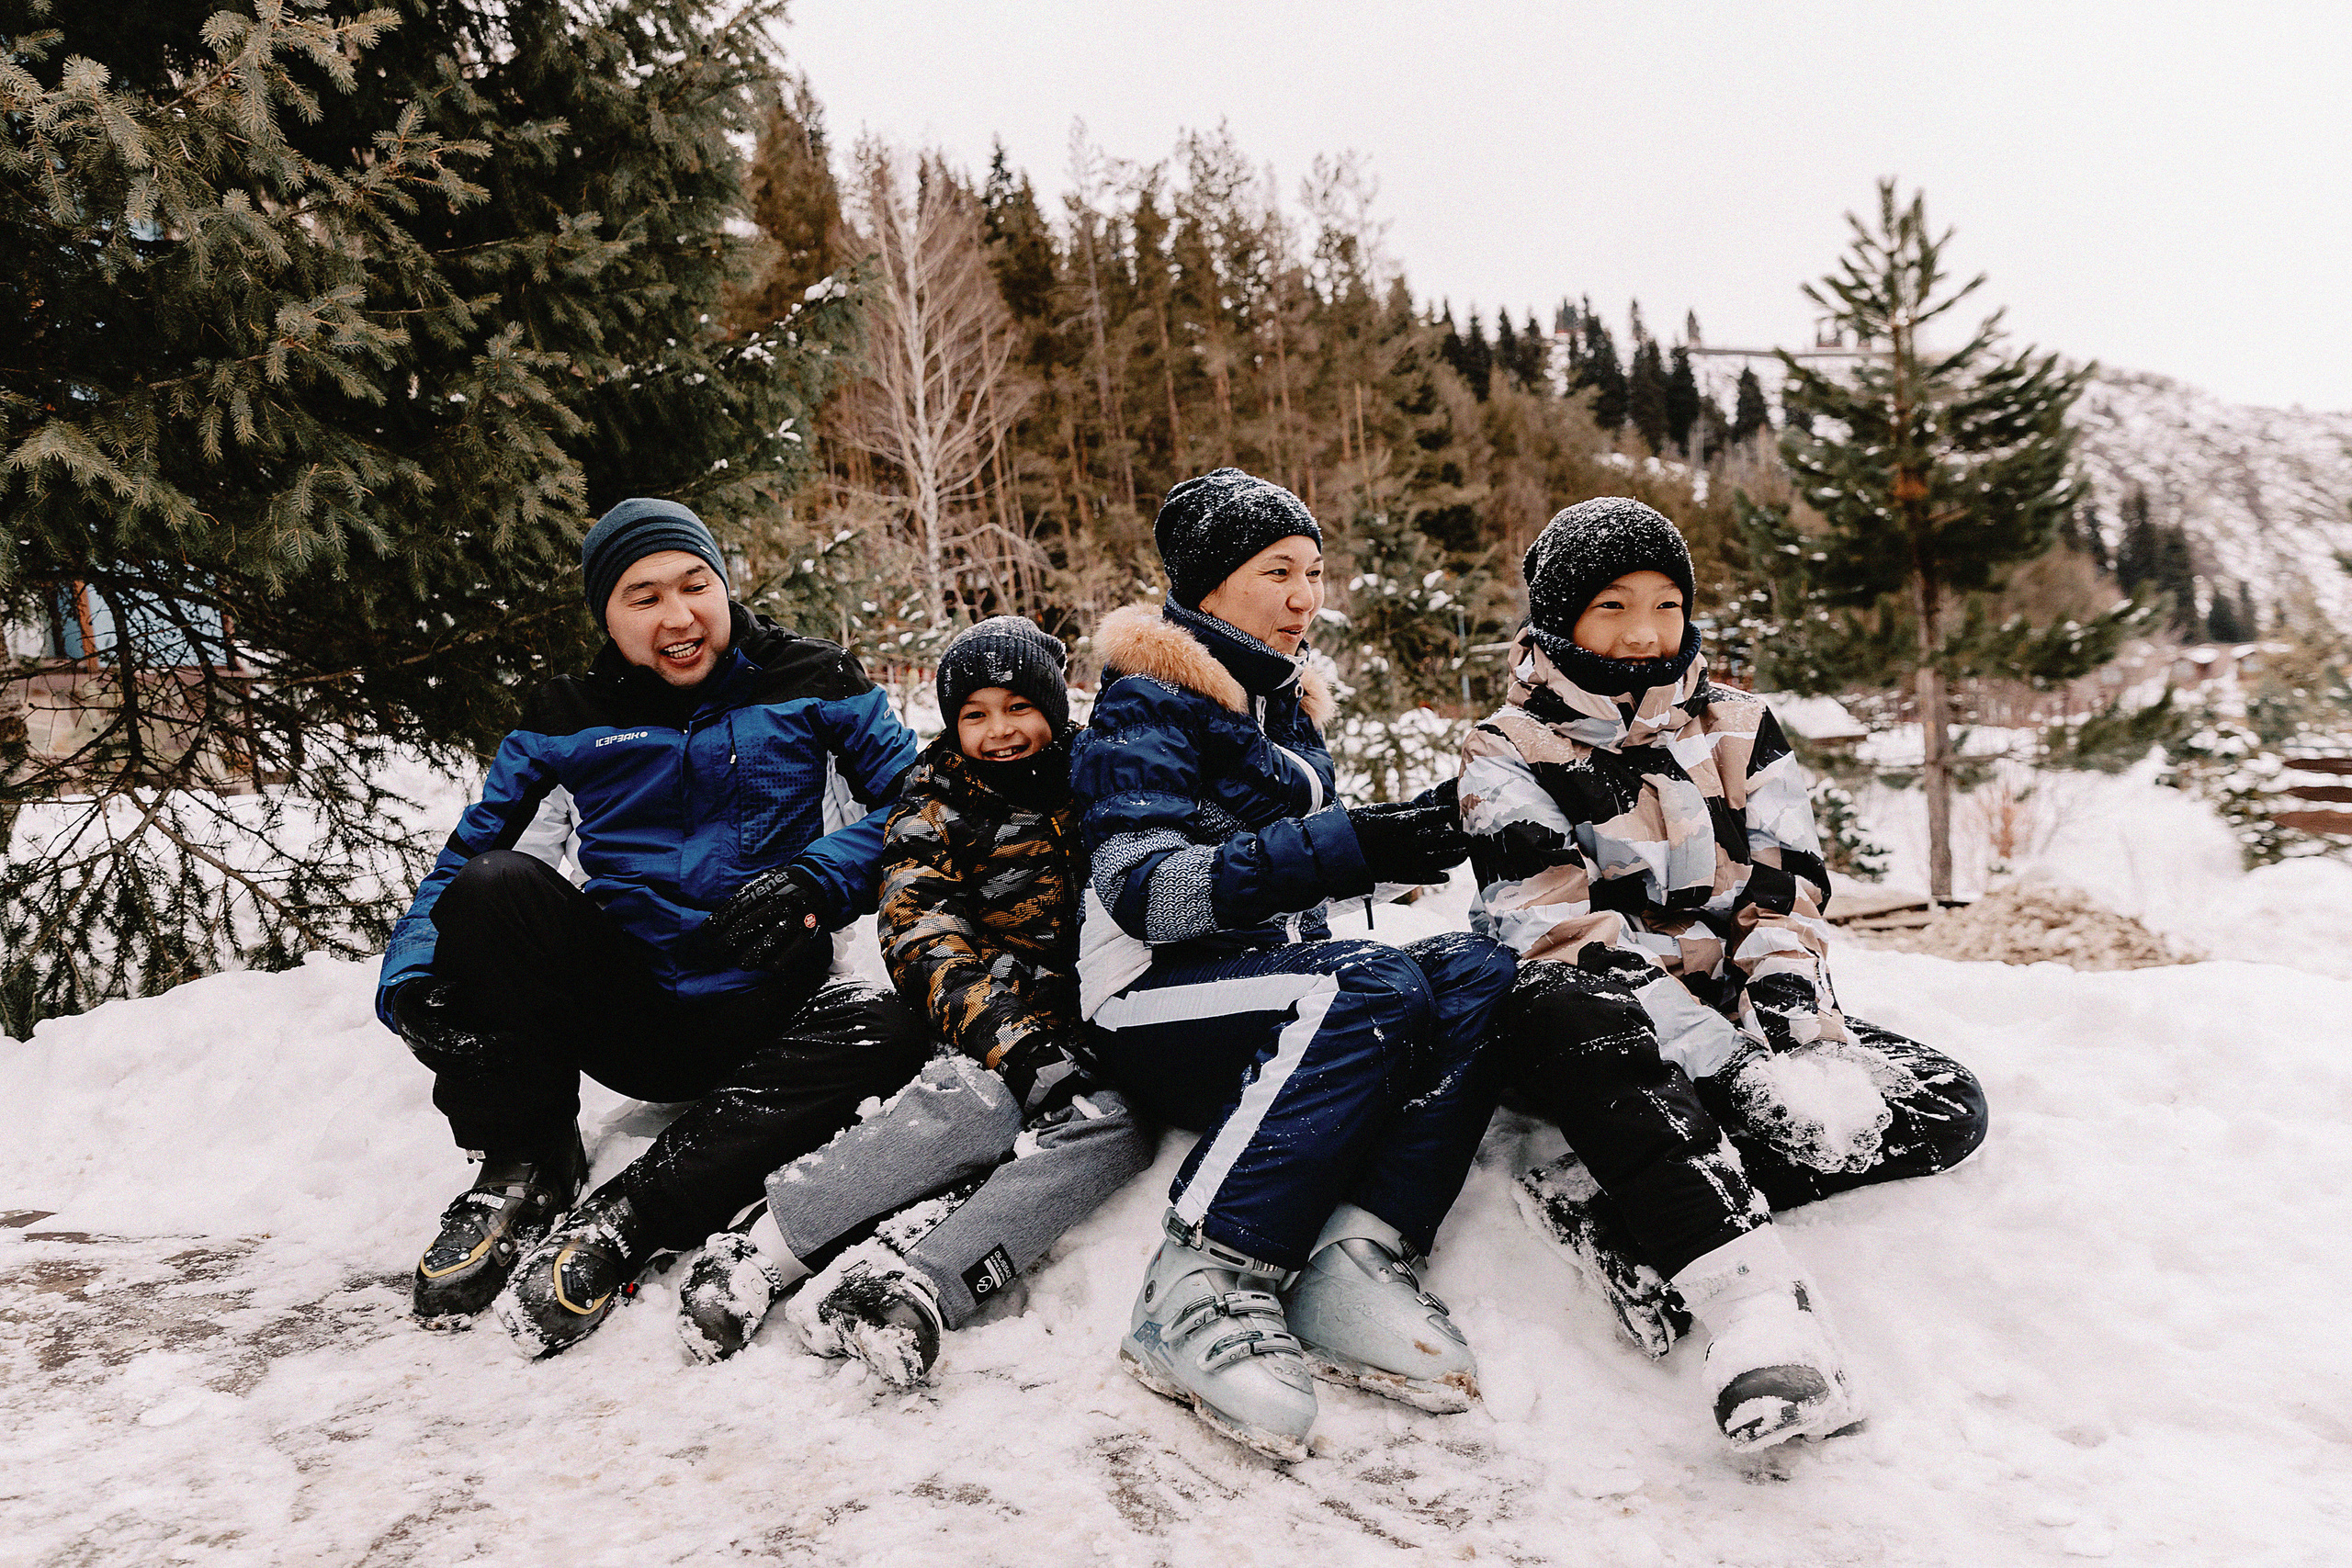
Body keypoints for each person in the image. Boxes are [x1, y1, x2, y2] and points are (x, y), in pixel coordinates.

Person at [1459, 495, 1989, 1450]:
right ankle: (1755, 1319)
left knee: (1944, 1100)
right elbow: (1556, 931)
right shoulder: (1507, 750)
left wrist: (1789, 1021)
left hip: (1724, 1006)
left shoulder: (1740, 726)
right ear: (1558, 620)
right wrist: (1726, 1065)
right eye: (1612, 607)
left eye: (1665, 604)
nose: (1644, 632)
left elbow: (1779, 899)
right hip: (1587, 1017)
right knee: (1568, 1006)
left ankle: (1615, 1213)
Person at [377, 497, 930, 1356]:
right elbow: (469, 858)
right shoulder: (568, 713)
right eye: (643, 596)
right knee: (492, 891)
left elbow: (922, 806)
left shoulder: (813, 677)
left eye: (693, 584)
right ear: (607, 613)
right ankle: (523, 1162)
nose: (678, 617)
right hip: (627, 1007)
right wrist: (410, 978)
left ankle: (635, 1214)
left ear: (722, 582)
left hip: (765, 998)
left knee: (891, 1027)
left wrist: (815, 877)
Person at [1071, 468, 1518, 1462]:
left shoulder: (1282, 707)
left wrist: (1422, 835)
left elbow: (1306, 875)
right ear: (1207, 584)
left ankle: (1355, 1256)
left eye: (1313, 572)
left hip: (1280, 990)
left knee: (1479, 971)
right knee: (1368, 981)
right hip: (1145, 999)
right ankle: (1200, 1283)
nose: (1305, 597)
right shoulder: (1145, 704)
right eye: (1277, 572)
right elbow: (1150, 894)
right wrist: (1349, 843)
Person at [674, 616, 1154, 1383]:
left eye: (1019, 706)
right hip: (982, 1028)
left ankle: (925, 1281)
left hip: (1090, 1034)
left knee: (1117, 1131)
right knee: (978, 1104)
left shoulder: (1095, 783)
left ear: (1055, 708)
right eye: (975, 714)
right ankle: (766, 1243)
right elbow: (923, 940)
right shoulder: (930, 806)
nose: (1000, 731)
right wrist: (1014, 1042)